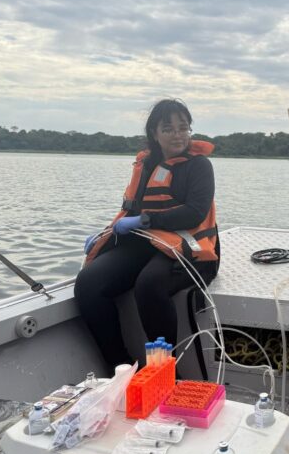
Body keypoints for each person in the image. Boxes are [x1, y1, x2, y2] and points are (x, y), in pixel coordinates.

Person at [75, 99, 219, 369]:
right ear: (155, 133)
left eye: (183, 127)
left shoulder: (199, 166)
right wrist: (107, 233)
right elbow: (131, 211)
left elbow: (194, 213)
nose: (177, 134)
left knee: (149, 284)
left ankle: (163, 372)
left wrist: (144, 220)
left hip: (190, 248)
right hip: (146, 242)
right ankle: (119, 368)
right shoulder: (146, 165)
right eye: (168, 128)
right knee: (88, 283)